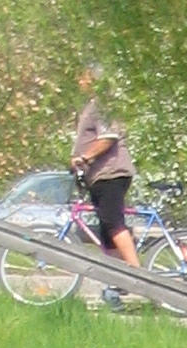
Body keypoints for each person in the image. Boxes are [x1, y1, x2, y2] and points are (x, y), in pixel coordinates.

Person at [70, 67, 138, 274]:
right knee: (107, 231)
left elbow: (108, 138)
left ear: (93, 80)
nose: (79, 82)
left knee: (113, 222)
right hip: (98, 176)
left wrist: (85, 157)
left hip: (111, 173)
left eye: (83, 78)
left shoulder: (103, 104)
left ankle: (139, 276)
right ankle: (119, 279)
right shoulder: (93, 105)